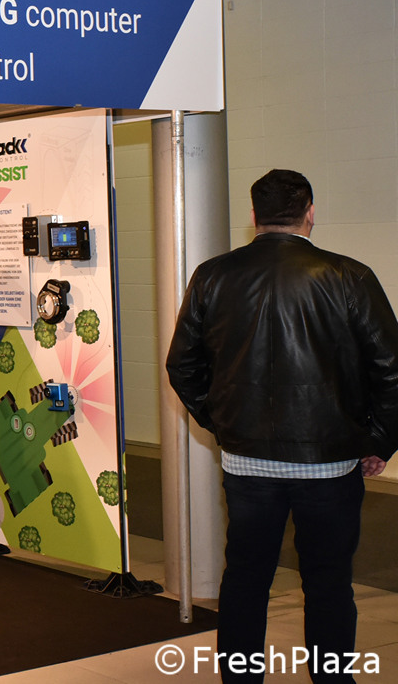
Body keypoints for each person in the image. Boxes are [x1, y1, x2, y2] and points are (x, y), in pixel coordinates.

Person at [166, 169, 398, 683]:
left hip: (247, 465)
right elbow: (392, 370)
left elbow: (182, 365)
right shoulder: (349, 276)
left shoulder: (212, 276)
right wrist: (380, 440)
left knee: (245, 580)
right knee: (329, 584)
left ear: (254, 215)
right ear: (309, 212)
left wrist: (223, 422)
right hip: (330, 466)